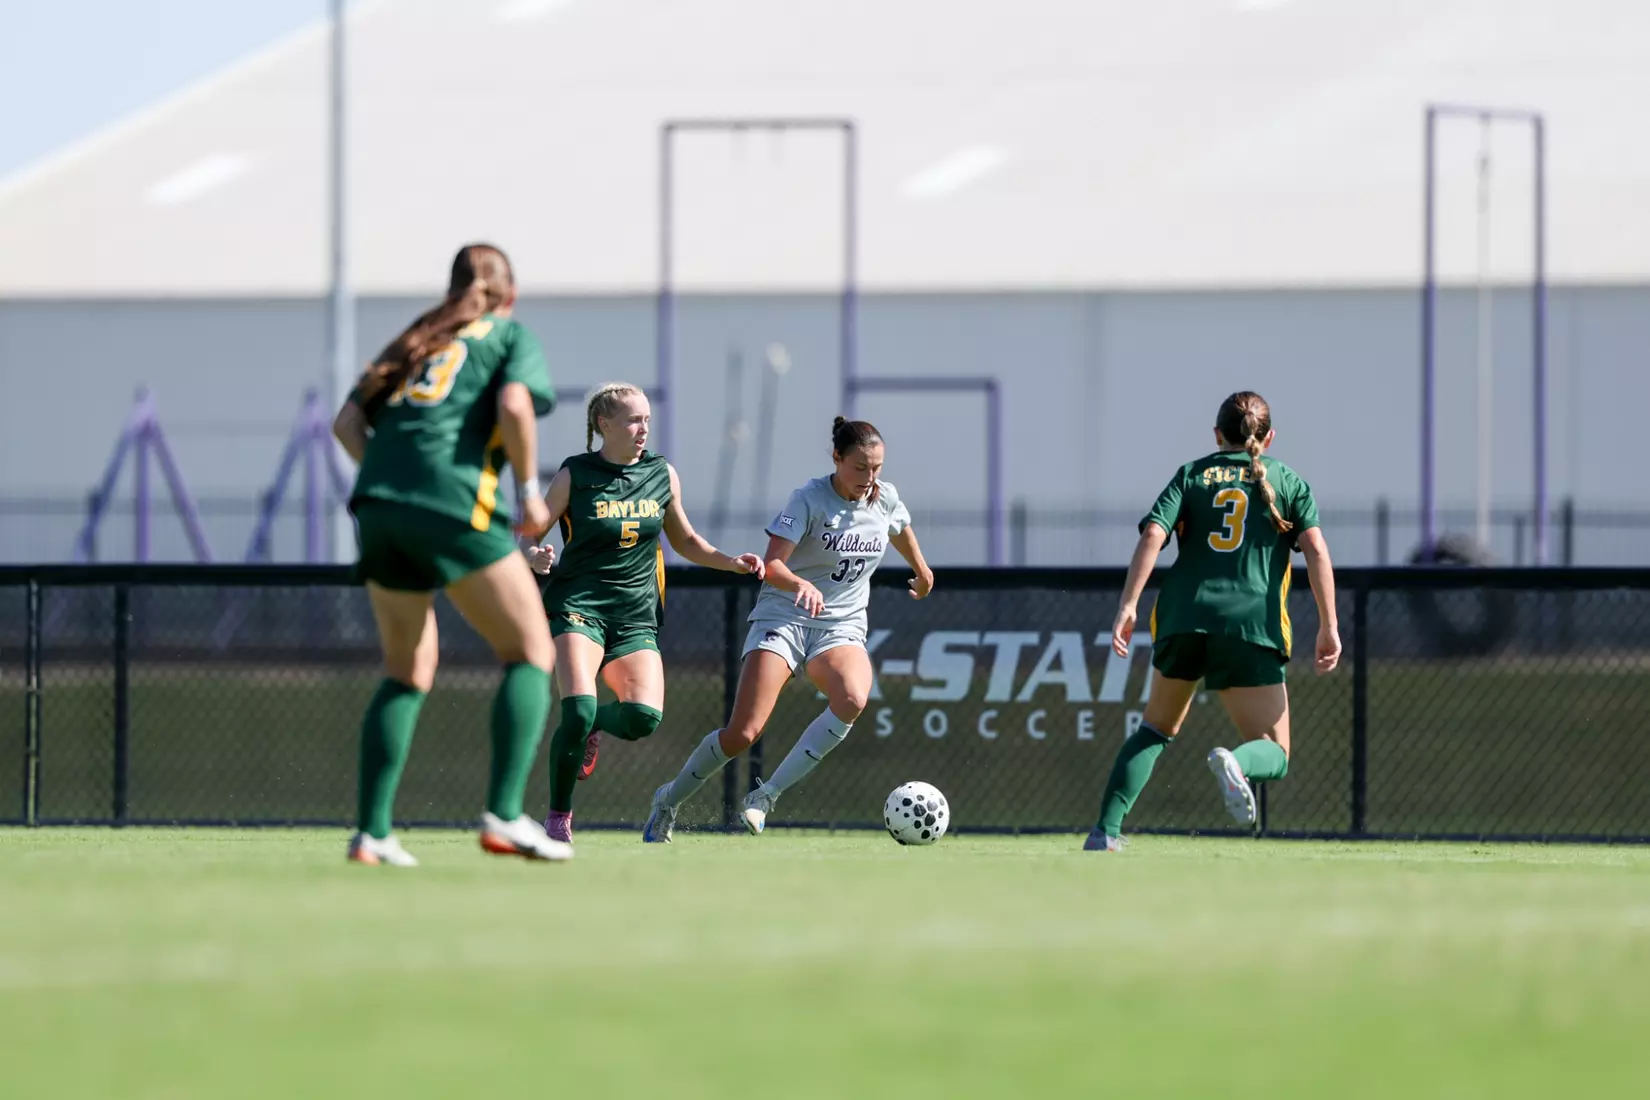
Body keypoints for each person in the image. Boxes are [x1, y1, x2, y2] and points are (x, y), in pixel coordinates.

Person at [333, 243, 571, 866]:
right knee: (530, 651)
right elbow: (516, 405)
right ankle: (503, 815)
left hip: (378, 505)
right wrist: (526, 493)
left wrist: (398, 481)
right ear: (509, 296)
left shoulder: (419, 336)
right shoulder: (509, 335)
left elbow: (346, 425)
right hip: (453, 505)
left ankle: (373, 834)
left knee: (406, 667)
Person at [643, 416, 935, 842]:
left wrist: (922, 570)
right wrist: (799, 584)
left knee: (852, 697)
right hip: (785, 617)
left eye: (876, 468)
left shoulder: (884, 497)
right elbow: (773, 565)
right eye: (859, 467)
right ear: (836, 458)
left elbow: (900, 528)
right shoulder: (809, 499)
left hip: (841, 625)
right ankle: (668, 800)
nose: (869, 478)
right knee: (743, 733)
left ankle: (766, 796)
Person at [1090, 391, 1339, 852]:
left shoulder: (1192, 474)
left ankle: (1105, 832)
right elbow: (1318, 551)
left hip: (1184, 617)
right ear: (1270, 436)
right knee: (1275, 752)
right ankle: (1238, 764)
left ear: (1217, 434)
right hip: (1251, 626)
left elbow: (1152, 534)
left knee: (1155, 729)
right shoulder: (1287, 481)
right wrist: (1329, 625)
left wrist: (1129, 604)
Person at [527, 382, 765, 847]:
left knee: (642, 718)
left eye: (647, 421)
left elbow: (686, 541)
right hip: (579, 605)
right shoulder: (575, 473)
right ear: (604, 425)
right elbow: (530, 533)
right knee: (576, 709)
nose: (644, 430)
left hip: (635, 616)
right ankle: (557, 819)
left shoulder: (661, 473)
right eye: (634, 420)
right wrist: (534, 555)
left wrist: (732, 561)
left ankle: (598, 724)